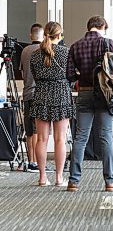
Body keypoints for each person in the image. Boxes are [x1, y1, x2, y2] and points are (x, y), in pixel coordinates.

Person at [66, 15, 113, 192]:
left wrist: (81, 77)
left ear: (89, 27)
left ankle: (73, 181)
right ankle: (109, 181)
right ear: (102, 26)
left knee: (80, 137)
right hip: (105, 95)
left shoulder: (75, 46)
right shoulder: (108, 43)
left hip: (84, 92)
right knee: (106, 137)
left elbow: (68, 74)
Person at [29, 21, 74, 186]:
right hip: (61, 94)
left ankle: (42, 178)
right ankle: (59, 178)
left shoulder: (35, 54)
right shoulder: (66, 52)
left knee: (41, 139)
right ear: (60, 35)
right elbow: (71, 75)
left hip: (41, 94)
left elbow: (34, 75)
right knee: (60, 139)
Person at [19, 23, 44, 173]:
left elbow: (22, 73)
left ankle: (31, 161)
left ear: (30, 36)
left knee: (29, 130)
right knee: (38, 131)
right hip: (39, 94)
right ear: (44, 36)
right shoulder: (43, 50)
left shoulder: (24, 51)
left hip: (27, 93)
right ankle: (37, 163)